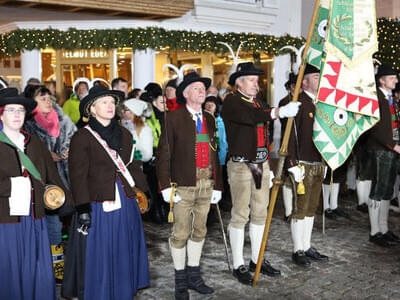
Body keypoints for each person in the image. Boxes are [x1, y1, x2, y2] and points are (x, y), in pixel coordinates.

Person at [66, 85, 150, 299]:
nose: (110, 106)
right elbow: (77, 176)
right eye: (104, 102)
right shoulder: (82, 137)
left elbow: (132, 165)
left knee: (124, 247)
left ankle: (123, 289)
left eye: (112, 102)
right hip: (97, 202)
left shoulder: (123, 133)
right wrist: (83, 208)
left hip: (125, 199)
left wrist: (143, 191)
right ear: (92, 109)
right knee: (101, 252)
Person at [221, 62, 300, 285]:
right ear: (239, 82)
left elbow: (261, 115)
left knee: (260, 213)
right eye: (252, 80)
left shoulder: (259, 102)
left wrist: (279, 112)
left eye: (257, 80)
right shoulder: (232, 102)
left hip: (261, 164)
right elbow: (252, 116)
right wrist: (278, 111)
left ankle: (257, 259)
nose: (257, 84)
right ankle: (238, 263)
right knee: (240, 214)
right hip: (241, 165)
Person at [157, 72, 223, 300]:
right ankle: (180, 280)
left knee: (200, 230)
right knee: (180, 233)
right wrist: (165, 186)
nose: (202, 91)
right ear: (185, 94)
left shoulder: (210, 118)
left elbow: (216, 155)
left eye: (203, 88)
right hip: (182, 185)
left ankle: (194, 276)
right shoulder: (172, 118)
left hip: (207, 183)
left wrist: (218, 185)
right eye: (196, 88)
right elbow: (164, 154)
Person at [0, 88, 70, 300]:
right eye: (11, 110)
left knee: (37, 268)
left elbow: (52, 178)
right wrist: (16, 185)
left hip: (36, 218)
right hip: (7, 222)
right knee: (10, 270)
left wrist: (65, 201)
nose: (16, 115)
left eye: (20, 110)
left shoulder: (35, 143)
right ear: (1, 114)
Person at [24, 85, 77, 282]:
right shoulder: (27, 125)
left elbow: (75, 140)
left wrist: (68, 151)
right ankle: (56, 266)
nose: (48, 101)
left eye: (49, 97)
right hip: (43, 184)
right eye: (42, 97)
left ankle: (69, 263)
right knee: (53, 225)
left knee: (72, 223)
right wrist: (47, 157)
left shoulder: (64, 120)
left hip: (67, 180)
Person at [287, 64, 328, 267]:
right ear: (304, 82)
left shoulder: (321, 103)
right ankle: (297, 249)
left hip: (318, 161)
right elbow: (289, 136)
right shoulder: (297, 103)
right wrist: (292, 163)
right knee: (300, 208)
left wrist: (328, 159)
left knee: (312, 207)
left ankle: (307, 245)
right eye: (314, 76)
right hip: (302, 162)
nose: (319, 79)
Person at [366, 64, 400, 247]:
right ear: (381, 80)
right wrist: (392, 145)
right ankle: (374, 232)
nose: (396, 80)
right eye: (392, 77)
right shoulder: (376, 98)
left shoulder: (391, 99)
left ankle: (384, 229)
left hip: (393, 149)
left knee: (387, 190)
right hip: (380, 149)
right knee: (378, 190)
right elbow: (374, 128)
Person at [121, 98, 154, 162]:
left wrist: (134, 155)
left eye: (125, 109)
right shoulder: (121, 125)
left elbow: (147, 155)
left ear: (134, 112)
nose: (122, 111)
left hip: (135, 167)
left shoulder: (144, 129)